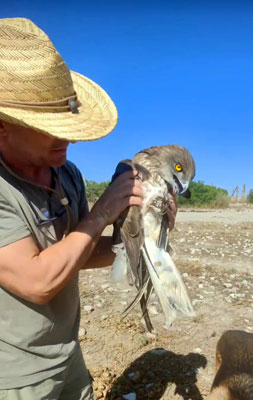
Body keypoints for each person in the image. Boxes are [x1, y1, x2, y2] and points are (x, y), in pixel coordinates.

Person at [0, 18, 177, 400]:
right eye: (50, 126)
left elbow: (78, 254)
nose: (70, 138)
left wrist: (143, 237)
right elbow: (37, 282)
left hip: (67, 354)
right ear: (3, 127)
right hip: (14, 376)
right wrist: (102, 211)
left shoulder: (66, 174)